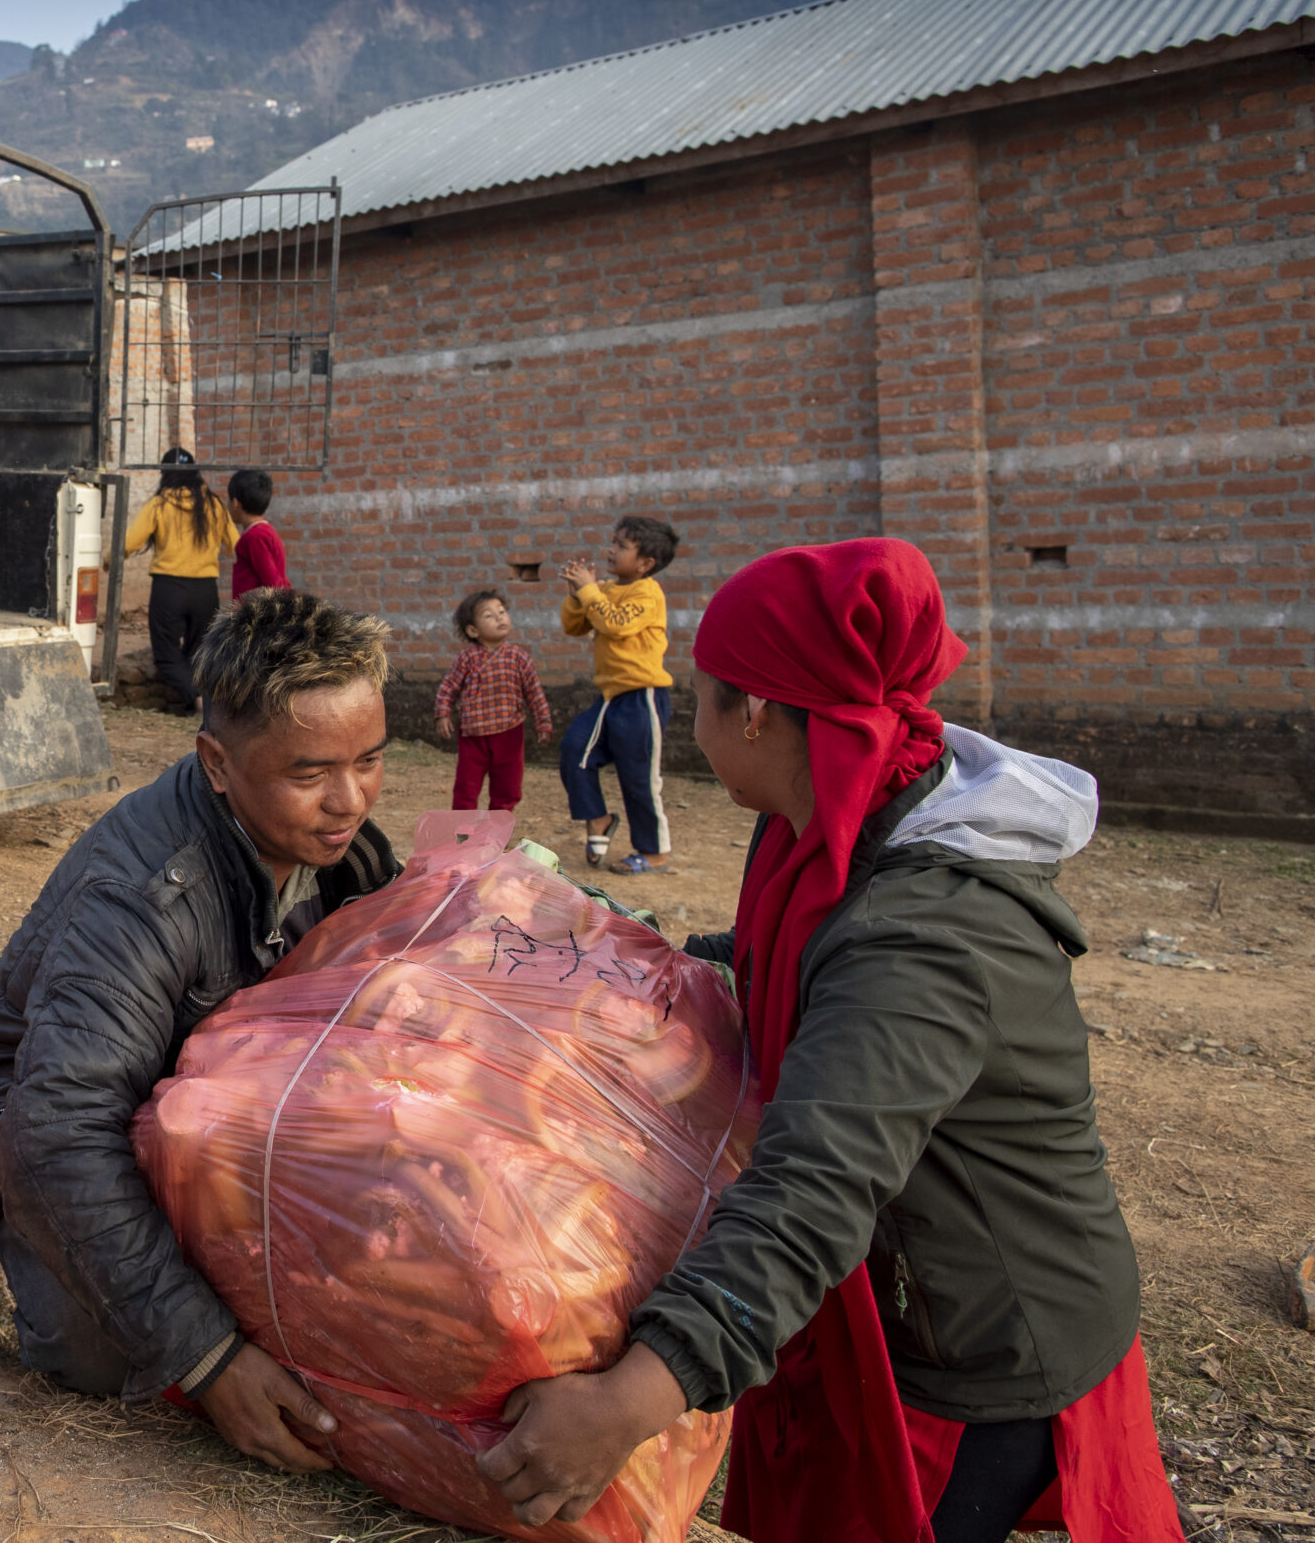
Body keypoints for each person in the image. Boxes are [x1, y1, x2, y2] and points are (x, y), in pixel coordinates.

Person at [478, 538, 1182, 1543]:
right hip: (901, 1301)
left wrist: (631, 1401)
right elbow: (778, 968)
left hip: (984, 1337)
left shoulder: (923, 930)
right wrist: (604, 956)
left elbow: (814, 1184)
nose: (688, 720)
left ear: (756, 712)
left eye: (699, 696)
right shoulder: (830, 815)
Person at [0, 590, 400, 1472]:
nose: (348, 798)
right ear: (217, 762)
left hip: (189, 1112)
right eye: (310, 771)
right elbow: (60, 1125)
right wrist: (208, 1359)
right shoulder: (145, 897)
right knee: (109, 1360)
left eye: (370, 760)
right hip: (34, 1128)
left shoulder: (342, 851)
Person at [558, 514, 677, 873]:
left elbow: (616, 623)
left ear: (646, 563)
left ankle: (653, 851)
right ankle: (597, 818)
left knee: (638, 777)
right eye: (613, 542)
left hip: (642, 699)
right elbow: (573, 625)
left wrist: (590, 592)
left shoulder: (647, 592)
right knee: (575, 750)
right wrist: (577, 594)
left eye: (622, 546)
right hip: (609, 698)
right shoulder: (605, 590)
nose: (611, 550)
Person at [125, 448, 238, 710]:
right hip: (205, 589)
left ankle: (196, 700)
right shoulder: (214, 504)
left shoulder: (159, 504)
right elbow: (237, 544)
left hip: (169, 588)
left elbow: (130, 542)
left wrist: (108, 559)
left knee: (165, 654)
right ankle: (199, 701)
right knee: (200, 652)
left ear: (165, 473)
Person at [433, 588, 552, 813]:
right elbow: (448, 687)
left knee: (507, 789)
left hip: (509, 734)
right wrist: (442, 713)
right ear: (472, 630)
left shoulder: (518, 657)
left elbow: (535, 693)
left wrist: (543, 722)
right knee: (466, 789)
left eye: (502, 612)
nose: (499, 618)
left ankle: (498, 834)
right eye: (489, 615)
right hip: (473, 737)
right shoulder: (467, 658)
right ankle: (463, 834)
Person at [224, 468, 290, 596]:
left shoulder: (255, 537)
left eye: (229, 500)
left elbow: (274, 583)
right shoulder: (262, 533)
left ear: (236, 503)